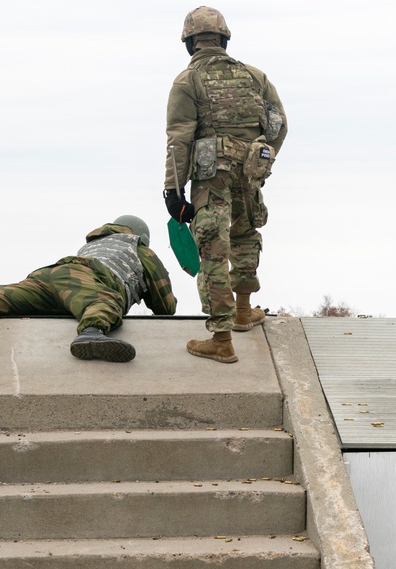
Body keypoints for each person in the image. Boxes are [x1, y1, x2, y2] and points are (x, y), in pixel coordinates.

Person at [163, 6, 289, 364]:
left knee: (213, 249)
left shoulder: (187, 82)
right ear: (224, 38)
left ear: (189, 43)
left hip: (212, 176)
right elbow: (279, 125)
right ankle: (245, 310)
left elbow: (179, 140)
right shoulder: (255, 76)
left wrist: (173, 192)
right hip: (248, 172)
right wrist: (261, 159)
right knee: (247, 233)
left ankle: (221, 338)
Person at [0, 216, 177, 363]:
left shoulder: (94, 243)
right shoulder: (139, 248)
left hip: (49, 276)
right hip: (81, 279)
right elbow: (165, 307)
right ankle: (91, 333)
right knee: (106, 299)